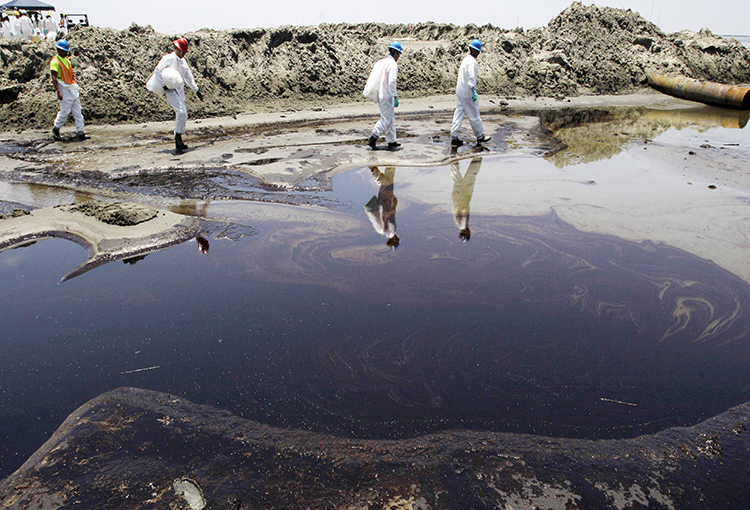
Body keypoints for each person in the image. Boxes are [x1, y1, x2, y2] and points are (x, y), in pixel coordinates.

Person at [152, 37, 203, 154]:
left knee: (183, 114)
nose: (183, 54)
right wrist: (163, 85)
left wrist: (196, 90)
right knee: (181, 111)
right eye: (182, 52)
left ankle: (179, 139)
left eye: (185, 53)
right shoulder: (168, 58)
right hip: (170, 89)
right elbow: (157, 70)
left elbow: (188, 76)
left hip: (179, 90)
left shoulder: (183, 62)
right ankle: (177, 138)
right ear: (177, 49)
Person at [451, 39, 490, 147]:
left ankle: (454, 137)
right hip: (468, 91)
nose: (478, 53)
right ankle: (480, 136)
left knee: (459, 112)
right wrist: (473, 90)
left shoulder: (465, 60)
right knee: (474, 113)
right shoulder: (472, 61)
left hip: (460, 90)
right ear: (474, 50)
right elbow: (471, 76)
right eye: (477, 51)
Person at [367, 42, 402, 151]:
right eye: (399, 54)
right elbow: (392, 82)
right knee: (386, 119)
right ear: (395, 52)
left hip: (382, 94)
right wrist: (395, 96)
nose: (399, 56)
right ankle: (373, 137)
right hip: (388, 96)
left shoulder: (384, 62)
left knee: (390, 119)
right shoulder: (392, 65)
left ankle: (392, 141)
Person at [50, 39, 86, 141]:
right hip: (63, 87)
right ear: (59, 50)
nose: (66, 52)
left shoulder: (66, 60)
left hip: (71, 87)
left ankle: (81, 132)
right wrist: (58, 91)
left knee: (77, 111)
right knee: (65, 111)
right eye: (64, 51)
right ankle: (56, 128)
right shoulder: (55, 61)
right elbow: (54, 77)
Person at [365, 166, 400, 247]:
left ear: (395, 240)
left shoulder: (391, 232)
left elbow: (390, 221)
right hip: (384, 205)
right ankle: (390, 165)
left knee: (386, 184)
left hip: (386, 205)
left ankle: (373, 169)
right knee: (388, 182)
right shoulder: (385, 232)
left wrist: (392, 209)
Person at [450, 157, 482, 241]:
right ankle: (453, 156)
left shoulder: (463, 225)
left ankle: (477, 156)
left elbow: (464, 210)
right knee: (456, 177)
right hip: (456, 197)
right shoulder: (457, 224)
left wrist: (465, 204)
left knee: (471, 175)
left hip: (463, 198)